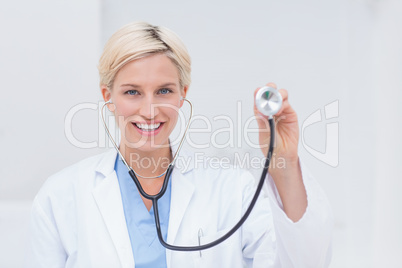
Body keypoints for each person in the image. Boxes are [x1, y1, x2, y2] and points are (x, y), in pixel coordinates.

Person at [26, 22, 333, 267]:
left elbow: (302, 262)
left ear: (183, 93)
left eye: (164, 91)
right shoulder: (61, 197)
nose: (149, 110)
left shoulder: (230, 190)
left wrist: (285, 162)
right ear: (108, 96)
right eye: (132, 92)